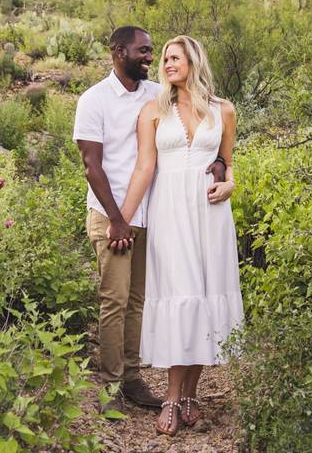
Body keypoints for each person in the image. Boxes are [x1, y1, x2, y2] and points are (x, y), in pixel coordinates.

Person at [73, 26, 227, 414]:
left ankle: (133, 379)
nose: (151, 58)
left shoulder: (155, 96)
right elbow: (92, 167)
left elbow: (204, 138)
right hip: (112, 214)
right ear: (118, 51)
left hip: (151, 215)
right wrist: (117, 220)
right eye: (144, 52)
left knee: (139, 301)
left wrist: (224, 167)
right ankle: (110, 388)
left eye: (154, 53)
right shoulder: (94, 100)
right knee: (115, 300)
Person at [116, 35, 243, 436]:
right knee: (181, 295)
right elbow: (143, 170)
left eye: (175, 57)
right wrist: (122, 220)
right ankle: (171, 396)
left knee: (205, 298)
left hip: (211, 214)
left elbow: (227, 165)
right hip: (171, 213)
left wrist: (230, 186)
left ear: (193, 61)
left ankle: (190, 391)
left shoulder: (224, 110)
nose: (167, 64)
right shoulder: (153, 112)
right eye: (165, 59)